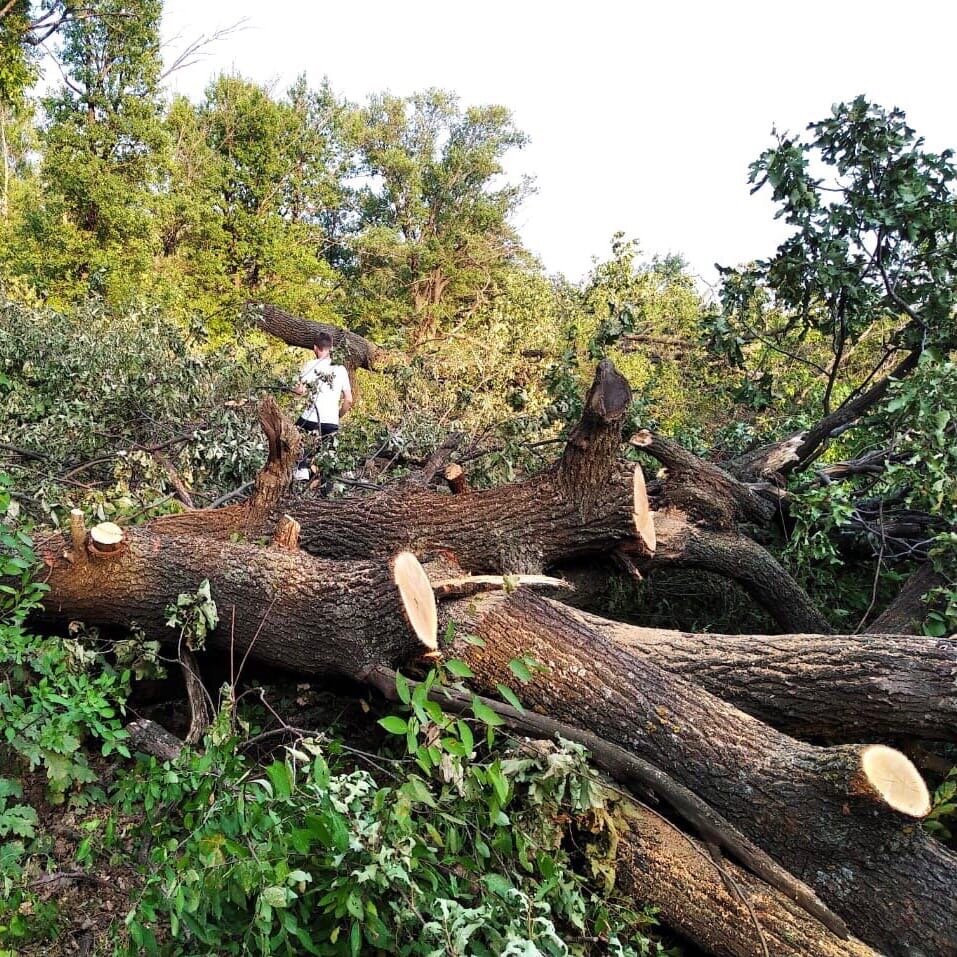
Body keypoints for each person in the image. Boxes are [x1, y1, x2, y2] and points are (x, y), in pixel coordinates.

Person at [293, 332, 353, 480]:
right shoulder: (340, 369)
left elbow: (300, 391)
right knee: (328, 459)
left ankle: (301, 470)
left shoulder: (309, 366)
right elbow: (349, 400)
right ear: (331, 348)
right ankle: (326, 484)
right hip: (331, 422)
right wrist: (338, 416)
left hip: (310, 419)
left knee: (294, 437)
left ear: (315, 348)